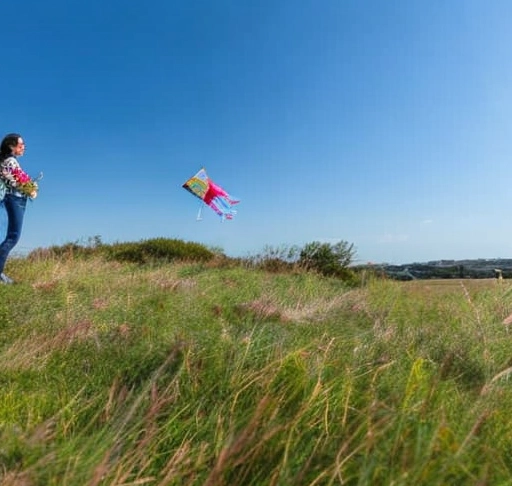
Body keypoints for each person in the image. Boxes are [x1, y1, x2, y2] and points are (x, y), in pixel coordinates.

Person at [0, 133, 38, 284]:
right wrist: (32, 190)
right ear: (11, 146)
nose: (23, 147)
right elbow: (19, 182)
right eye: (21, 144)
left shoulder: (10, 162)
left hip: (15, 200)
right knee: (13, 237)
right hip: (15, 200)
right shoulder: (10, 162)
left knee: (12, 237)